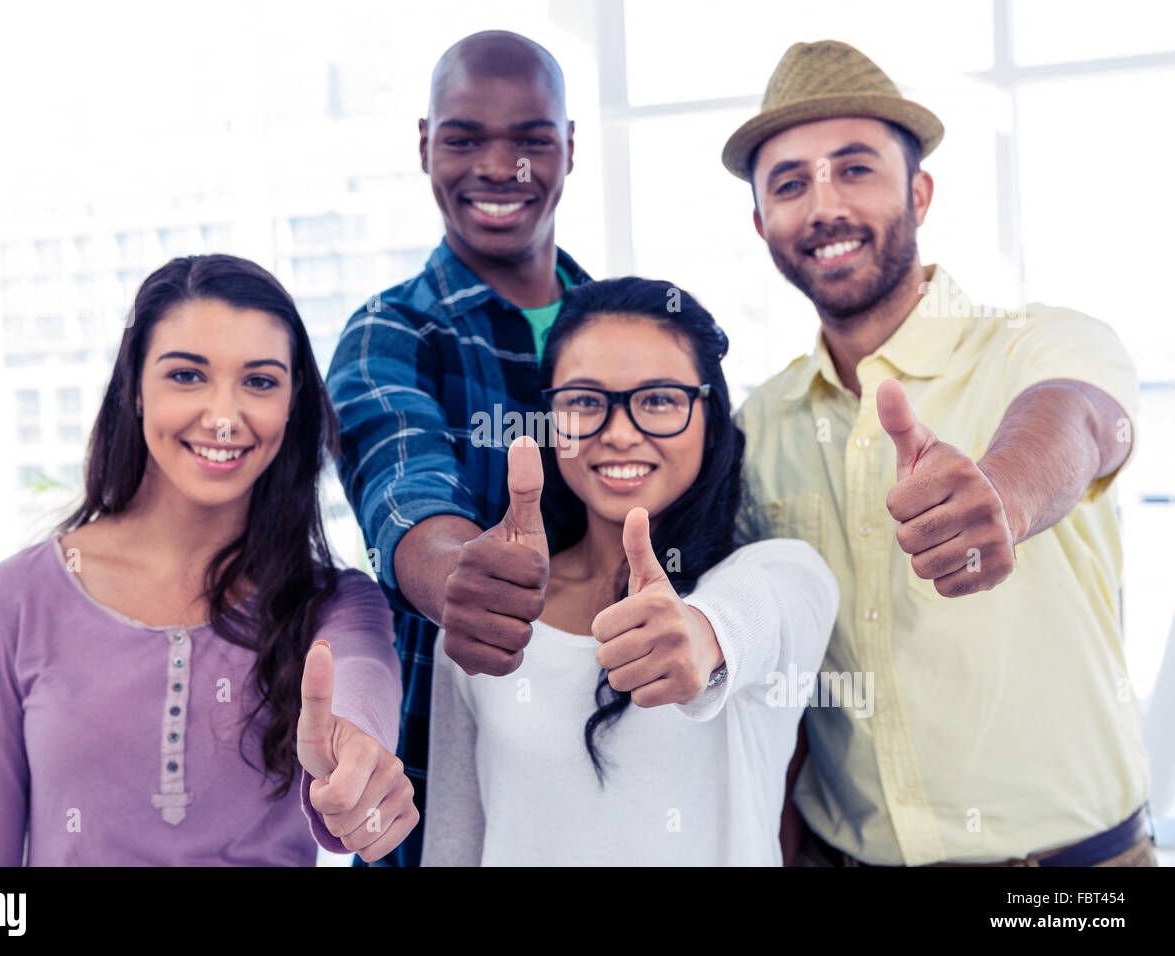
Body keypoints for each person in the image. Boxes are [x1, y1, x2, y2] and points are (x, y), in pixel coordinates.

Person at [720, 39, 1155, 866]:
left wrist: (1007, 493)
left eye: (855, 169)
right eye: (789, 184)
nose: (823, 207)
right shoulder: (758, 424)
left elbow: (1079, 422)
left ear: (918, 191)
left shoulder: (1044, 342)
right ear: (761, 224)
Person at [0, 254, 416, 865]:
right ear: (135, 388)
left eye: (260, 381)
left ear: (294, 403)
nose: (223, 416)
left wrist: (357, 769)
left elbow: (357, 692)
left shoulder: (339, 604)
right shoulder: (13, 602)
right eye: (187, 376)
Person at [421, 277, 838, 865]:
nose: (619, 434)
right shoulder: (490, 610)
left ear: (711, 420)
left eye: (660, 399)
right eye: (585, 402)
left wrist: (700, 633)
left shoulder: (778, 572)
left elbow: (765, 608)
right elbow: (455, 842)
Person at [324, 29, 593, 865]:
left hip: (611, 785)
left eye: (531, 139)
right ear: (424, 147)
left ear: (570, 149)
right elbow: (402, 491)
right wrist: (458, 577)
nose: (499, 166)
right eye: (464, 137)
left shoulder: (634, 334)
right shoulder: (389, 332)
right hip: (444, 803)